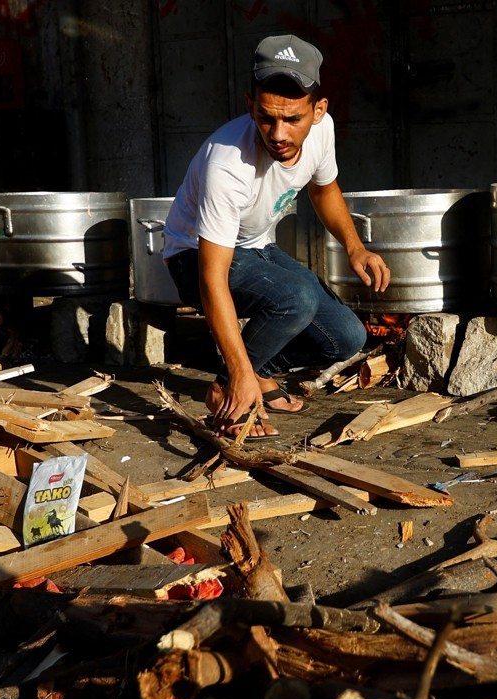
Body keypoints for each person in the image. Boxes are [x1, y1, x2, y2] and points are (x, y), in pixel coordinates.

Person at [162, 33, 389, 438]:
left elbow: (323, 189)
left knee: (346, 337)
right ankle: (229, 387)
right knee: (294, 297)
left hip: (255, 247)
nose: (278, 134)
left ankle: (257, 373)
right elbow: (212, 278)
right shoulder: (227, 164)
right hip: (192, 257)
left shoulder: (323, 131)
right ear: (250, 106)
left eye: (292, 119)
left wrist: (355, 248)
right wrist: (235, 371)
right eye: (266, 117)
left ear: (318, 110)